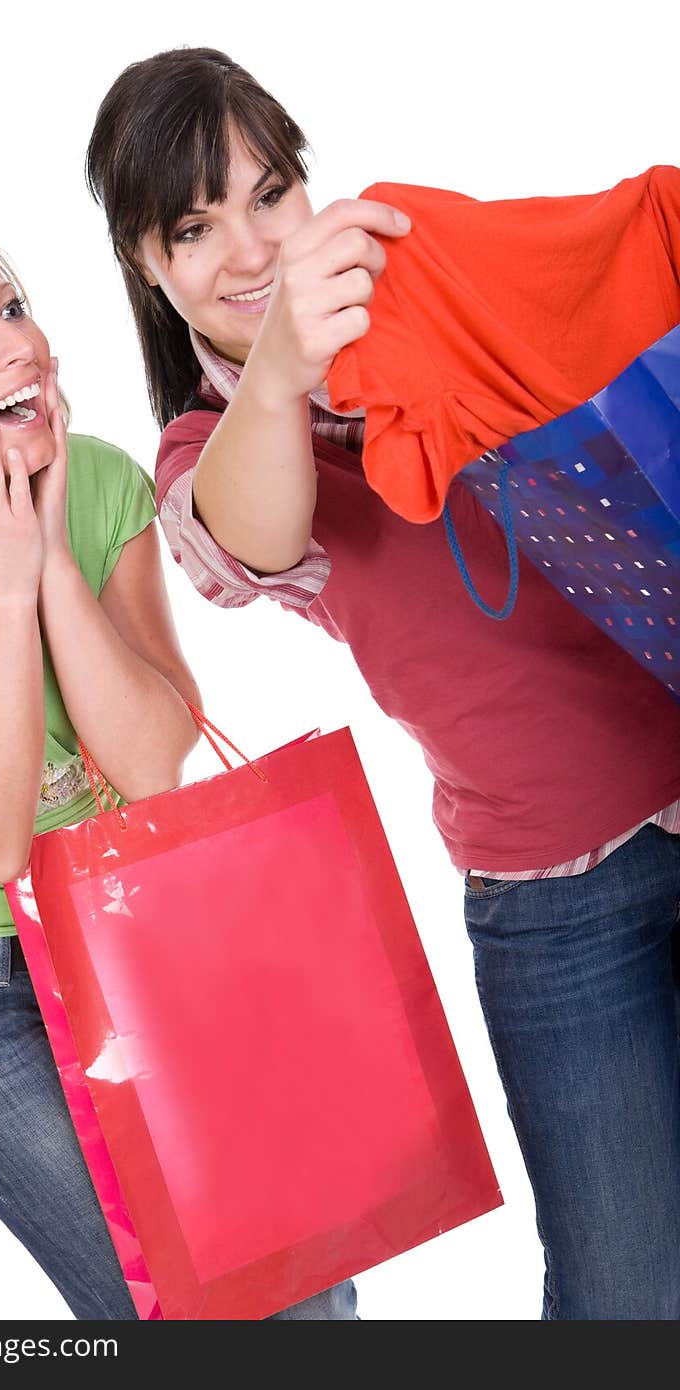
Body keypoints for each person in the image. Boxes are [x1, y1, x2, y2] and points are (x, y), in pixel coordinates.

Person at [86, 48, 680, 1320]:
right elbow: (248, 534)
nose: (248, 248)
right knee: (628, 1302)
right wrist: (291, 363)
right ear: (147, 263)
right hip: (557, 903)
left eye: (268, 193)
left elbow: (618, 271)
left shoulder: (432, 287)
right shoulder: (205, 447)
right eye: (194, 227)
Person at [0, 221, 356, 1320]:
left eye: (11, 307)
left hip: (134, 937)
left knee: (300, 1284)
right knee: (189, 1310)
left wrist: (48, 555)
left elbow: (153, 759)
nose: (20, 345)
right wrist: (3, 591)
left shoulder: (94, 484)